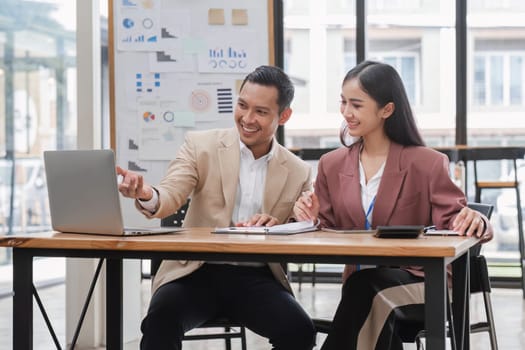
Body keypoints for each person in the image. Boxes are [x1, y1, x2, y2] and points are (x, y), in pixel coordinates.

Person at [293, 60, 494, 350]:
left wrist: (479, 221)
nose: (347, 112)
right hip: (362, 284)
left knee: (366, 290)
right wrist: (310, 219)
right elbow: (326, 228)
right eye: (343, 102)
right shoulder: (332, 164)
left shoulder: (426, 163)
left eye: (357, 105)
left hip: (424, 283)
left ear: (387, 109)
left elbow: (456, 221)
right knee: (365, 290)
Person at [118, 65, 316, 350]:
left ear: (283, 116)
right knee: (161, 320)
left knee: (299, 331)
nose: (247, 119)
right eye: (242, 106)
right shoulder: (201, 146)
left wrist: (282, 224)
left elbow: (303, 226)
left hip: (255, 278)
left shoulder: (297, 171)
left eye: (261, 112)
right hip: (195, 272)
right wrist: (147, 193)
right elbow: (170, 193)